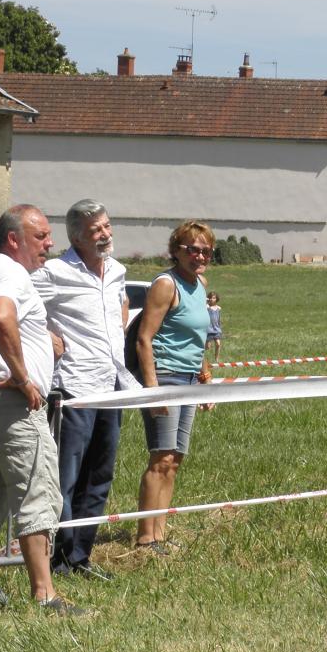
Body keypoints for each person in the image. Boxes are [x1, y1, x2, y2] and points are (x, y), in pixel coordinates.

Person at [0, 205, 83, 614]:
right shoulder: (11, 273)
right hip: (11, 405)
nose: (50, 244)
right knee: (36, 493)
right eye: (40, 237)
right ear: (13, 239)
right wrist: (22, 377)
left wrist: (43, 341)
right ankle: (44, 594)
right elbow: (2, 316)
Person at [33, 199, 130, 581]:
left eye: (106, 226)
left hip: (112, 386)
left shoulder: (118, 271)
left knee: (100, 475)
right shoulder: (55, 272)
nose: (105, 235)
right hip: (73, 388)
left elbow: (118, 307)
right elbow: (18, 304)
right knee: (66, 478)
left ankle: (81, 557)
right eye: (96, 230)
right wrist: (45, 335)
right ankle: (57, 560)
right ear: (76, 237)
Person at [133, 220, 215, 553]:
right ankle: (144, 537)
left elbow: (198, 340)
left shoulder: (200, 284)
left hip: (189, 379)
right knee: (161, 458)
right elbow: (143, 339)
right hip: (164, 377)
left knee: (175, 459)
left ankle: (160, 535)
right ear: (176, 250)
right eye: (192, 249)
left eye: (206, 250)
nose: (199, 256)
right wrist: (153, 391)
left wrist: (205, 377)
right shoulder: (166, 285)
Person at [205, 292, 222, 361]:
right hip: (209, 329)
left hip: (216, 329)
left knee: (218, 344)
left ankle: (216, 358)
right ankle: (200, 355)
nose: (212, 299)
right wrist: (206, 301)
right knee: (207, 347)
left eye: (214, 298)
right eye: (211, 298)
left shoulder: (218, 308)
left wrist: (219, 326)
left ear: (216, 299)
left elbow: (218, 318)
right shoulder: (207, 307)